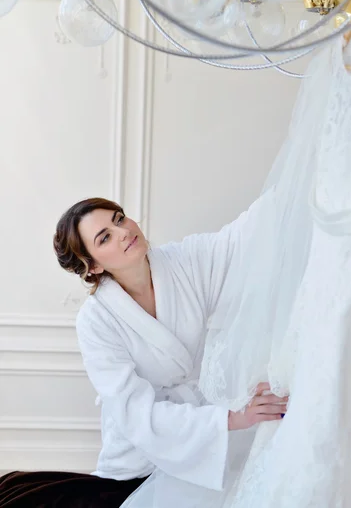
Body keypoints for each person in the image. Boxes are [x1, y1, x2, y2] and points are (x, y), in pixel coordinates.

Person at [0, 195, 287, 508]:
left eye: (119, 218)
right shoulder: (96, 321)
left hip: (205, 437)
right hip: (138, 458)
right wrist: (231, 418)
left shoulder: (185, 262)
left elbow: (244, 235)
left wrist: (304, 168)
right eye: (105, 237)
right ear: (93, 265)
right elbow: (135, 412)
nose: (123, 231)